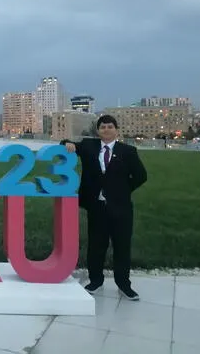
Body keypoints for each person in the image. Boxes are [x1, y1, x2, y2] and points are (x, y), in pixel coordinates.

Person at [60, 114, 147, 301]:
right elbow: (66, 144)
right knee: (96, 246)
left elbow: (141, 176)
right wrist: (68, 144)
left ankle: (124, 285)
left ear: (117, 130)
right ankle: (95, 280)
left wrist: (123, 191)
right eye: (102, 127)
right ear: (98, 131)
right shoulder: (89, 147)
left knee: (122, 247)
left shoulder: (128, 151)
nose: (106, 130)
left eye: (110, 126)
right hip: (97, 207)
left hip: (121, 209)